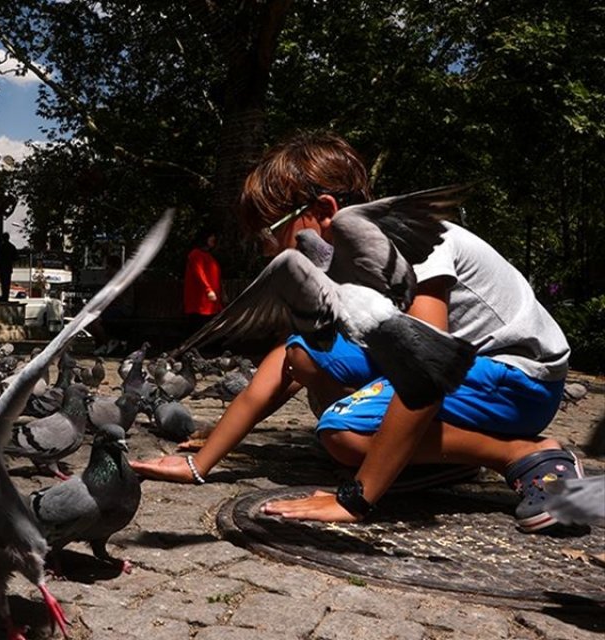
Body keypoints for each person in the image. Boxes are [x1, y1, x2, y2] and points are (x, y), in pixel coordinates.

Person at [132, 131, 580, 534]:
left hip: (518, 382)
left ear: (324, 212)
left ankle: (521, 452)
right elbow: (286, 358)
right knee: (306, 353)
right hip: (463, 373)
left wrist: (357, 497)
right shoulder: (346, 267)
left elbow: (423, 373)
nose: (267, 250)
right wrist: (199, 463)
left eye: (270, 233)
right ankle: (424, 460)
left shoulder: (406, 247)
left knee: (341, 435)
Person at [182, 226, 224, 339]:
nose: (213, 239)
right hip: (200, 300)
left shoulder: (209, 256)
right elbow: (199, 273)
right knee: (197, 324)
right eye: (211, 236)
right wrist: (208, 290)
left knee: (209, 324)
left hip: (210, 301)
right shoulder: (195, 254)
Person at [0, 232, 19, 302]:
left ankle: (4, 297)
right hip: (8, 268)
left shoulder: (0, 247)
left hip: (2, 268)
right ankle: (5, 297)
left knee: (3, 283)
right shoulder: (12, 247)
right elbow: (16, 257)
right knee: (6, 283)